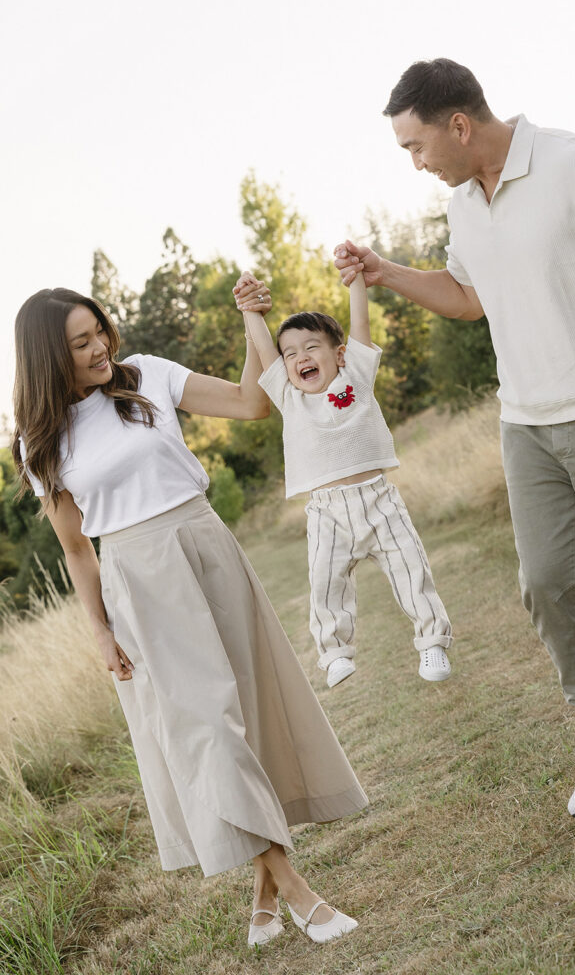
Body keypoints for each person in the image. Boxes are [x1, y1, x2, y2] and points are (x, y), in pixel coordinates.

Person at [334, 57, 575, 816]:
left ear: (458, 125)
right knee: (544, 584)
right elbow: (467, 299)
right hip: (528, 425)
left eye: (416, 147)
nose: (416, 163)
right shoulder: (463, 203)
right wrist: (384, 272)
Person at [12, 285, 368, 948]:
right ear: (44, 357)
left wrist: (250, 320)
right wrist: (99, 630)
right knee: (206, 728)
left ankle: (263, 894)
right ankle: (297, 891)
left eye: (98, 332)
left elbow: (250, 403)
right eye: (79, 342)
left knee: (249, 711)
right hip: (137, 576)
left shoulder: (147, 375)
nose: (98, 348)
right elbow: (77, 551)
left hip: (205, 543)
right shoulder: (42, 442)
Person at [233, 270, 452, 689]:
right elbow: (263, 348)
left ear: (340, 354)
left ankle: (432, 640)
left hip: (378, 500)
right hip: (326, 512)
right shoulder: (288, 397)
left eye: (311, 347)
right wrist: (248, 309)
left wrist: (355, 282)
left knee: (411, 568)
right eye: (290, 353)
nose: (300, 358)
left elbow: (360, 327)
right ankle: (334, 653)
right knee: (325, 583)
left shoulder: (358, 378)